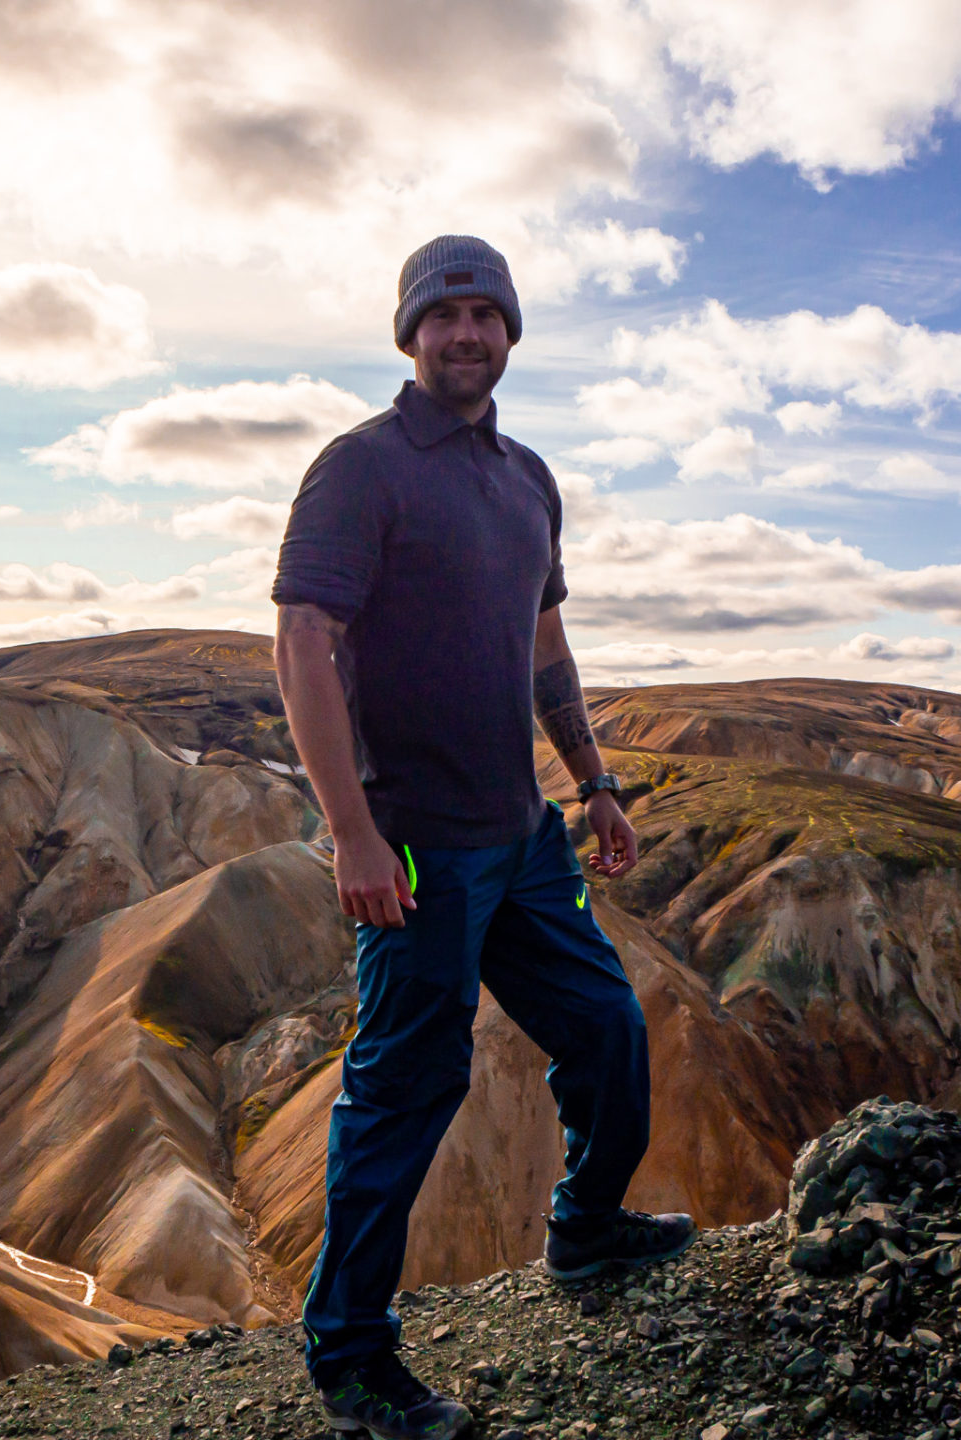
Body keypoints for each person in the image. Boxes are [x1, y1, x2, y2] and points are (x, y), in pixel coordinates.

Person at [270, 235, 696, 1440]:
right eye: (442, 314)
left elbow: (545, 645)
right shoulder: (360, 470)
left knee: (607, 1028)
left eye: (485, 314)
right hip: (414, 848)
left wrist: (596, 782)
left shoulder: (527, 479)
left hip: (523, 839)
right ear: (409, 334)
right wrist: (350, 832)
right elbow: (303, 638)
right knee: (404, 1092)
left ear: (512, 332)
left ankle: (587, 1229)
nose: (466, 333)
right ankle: (351, 1357)